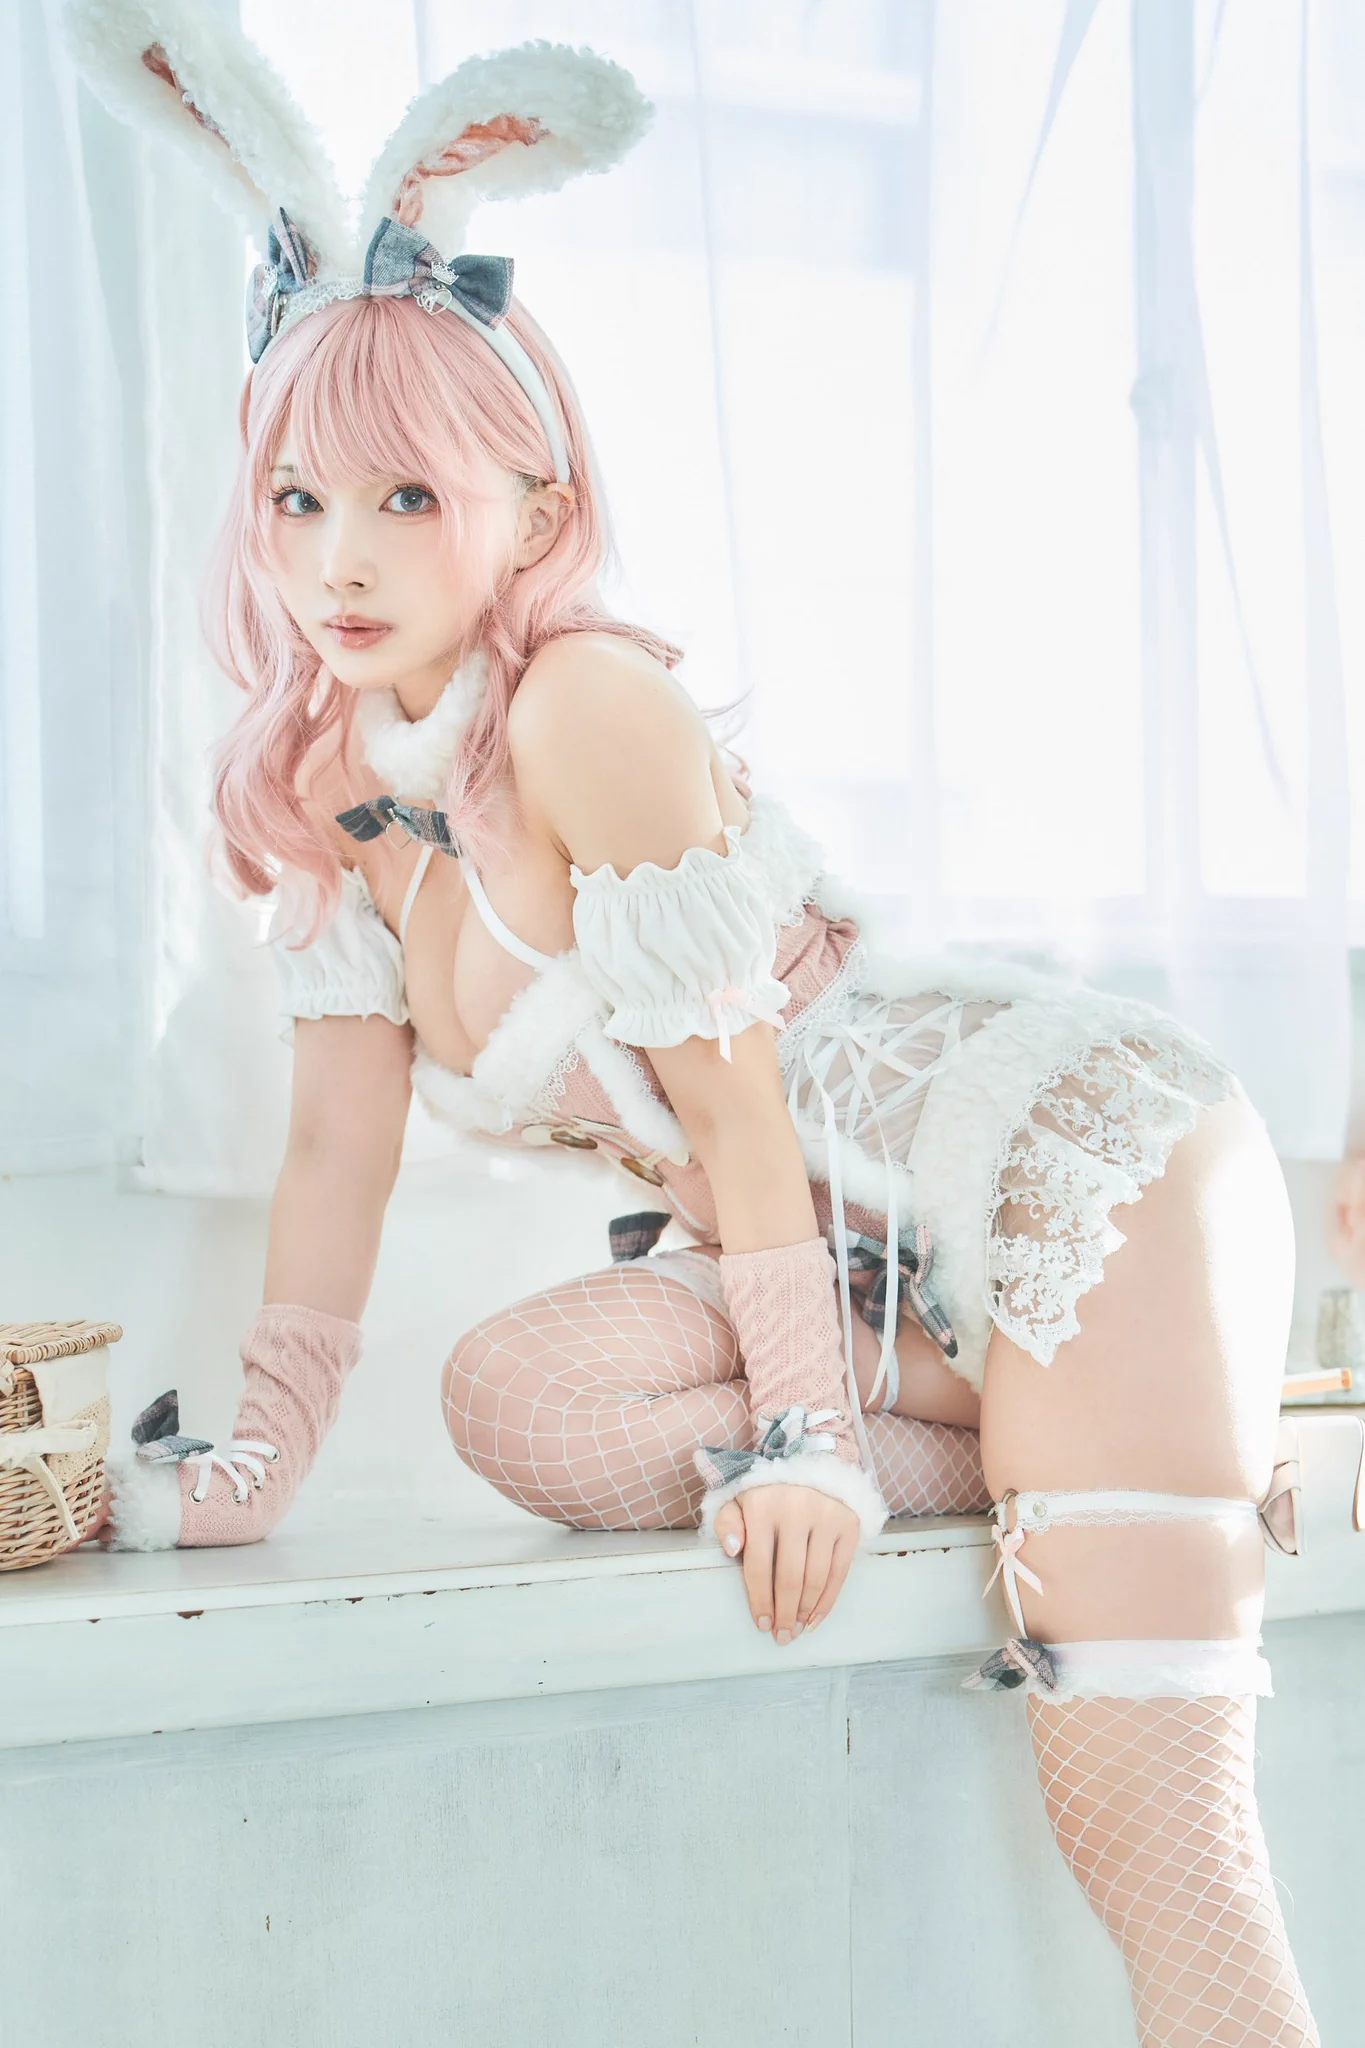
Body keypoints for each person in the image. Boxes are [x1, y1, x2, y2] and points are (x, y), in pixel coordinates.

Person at [70, 8, 1318, 2042]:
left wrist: (809, 1447)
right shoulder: (324, 783)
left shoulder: (586, 708)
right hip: (838, 1260)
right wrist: (255, 1460)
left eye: (403, 497)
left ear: (532, 502)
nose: (337, 560)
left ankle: (1095, 1405)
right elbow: (332, 1147)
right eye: (295, 498)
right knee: (512, 1404)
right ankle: (1055, 1410)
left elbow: (737, 1113)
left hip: (1051, 1154)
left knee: (1153, 1841)